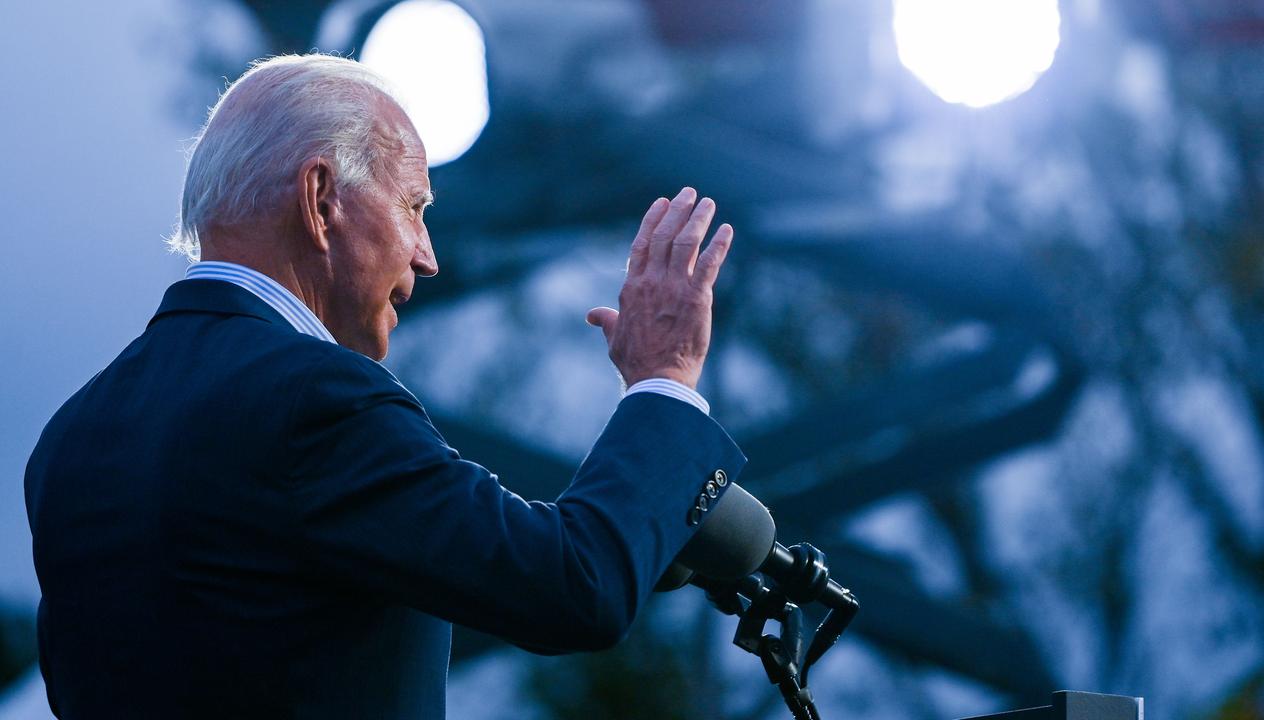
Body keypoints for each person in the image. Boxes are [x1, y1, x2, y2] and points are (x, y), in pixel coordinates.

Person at [24, 54, 743, 718]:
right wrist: (664, 377)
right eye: (415, 208)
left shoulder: (71, 438)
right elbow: (572, 584)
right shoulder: (315, 400)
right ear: (321, 199)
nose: (428, 257)